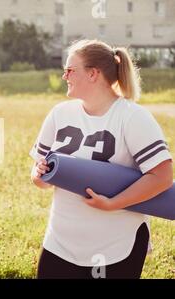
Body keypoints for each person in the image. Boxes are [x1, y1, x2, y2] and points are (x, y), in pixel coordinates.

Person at [30, 39, 173, 279]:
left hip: (116, 246)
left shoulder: (132, 117)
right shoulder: (59, 114)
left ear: (93, 74)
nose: (65, 76)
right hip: (60, 243)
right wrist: (39, 174)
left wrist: (113, 203)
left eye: (70, 70)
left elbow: (162, 176)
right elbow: (38, 175)